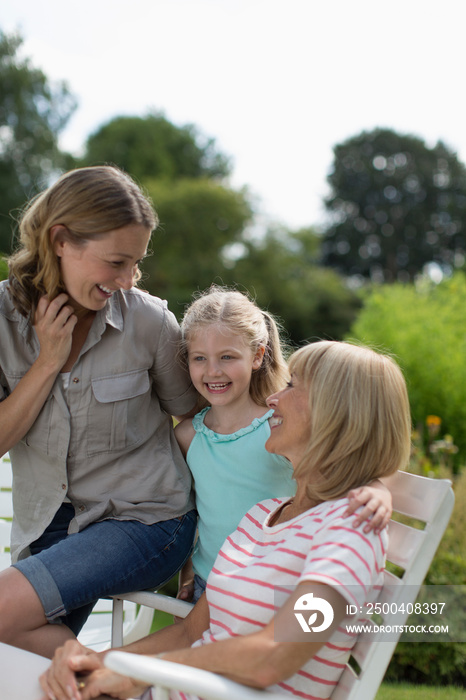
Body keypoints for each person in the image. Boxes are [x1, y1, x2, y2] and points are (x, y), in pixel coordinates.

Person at [32, 339, 411, 700]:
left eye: (294, 386)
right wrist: (97, 664)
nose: (275, 397)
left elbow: (274, 657)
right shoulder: (263, 516)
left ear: (338, 414)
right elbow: (188, 634)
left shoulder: (349, 532)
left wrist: (138, 672)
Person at [0, 165, 198, 658]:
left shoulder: (148, 321)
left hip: (145, 519)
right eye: (116, 262)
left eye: (136, 263)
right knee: (28, 672)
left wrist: (213, 541)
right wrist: (47, 361)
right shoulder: (2, 322)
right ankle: (119, 686)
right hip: (50, 522)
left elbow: (201, 423)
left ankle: (118, 680)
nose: (128, 279)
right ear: (61, 240)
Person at [175, 287, 393, 604]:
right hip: (208, 585)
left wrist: (378, 491)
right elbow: (187, 514)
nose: (213, 371)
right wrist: (188, 570)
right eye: (199, 358)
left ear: (258, 356)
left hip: (270, 589)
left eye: (227, 357)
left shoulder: (280, 429)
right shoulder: (188, 436)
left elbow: (346, 467)